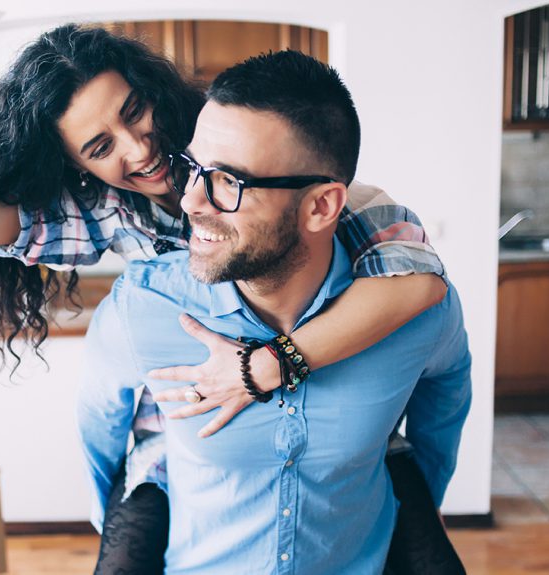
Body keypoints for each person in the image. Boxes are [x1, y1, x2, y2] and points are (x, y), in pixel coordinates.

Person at [0, 25, 451, 572]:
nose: (138, 148)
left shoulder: (306, 188)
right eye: (99, 146)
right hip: (174, 435)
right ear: (77, 166)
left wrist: (268, 365)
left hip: (327, 413)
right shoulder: (109, 215)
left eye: (136, 112)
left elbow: (420, 285)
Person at [77, 50, 472, 574]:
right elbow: (100, 427)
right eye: (192, 168)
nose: (191, 201)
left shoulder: (414, 314)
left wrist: (426, 499)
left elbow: (447, 390)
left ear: (321, 206)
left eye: (228, 182)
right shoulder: (142, 311)